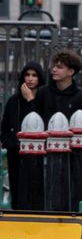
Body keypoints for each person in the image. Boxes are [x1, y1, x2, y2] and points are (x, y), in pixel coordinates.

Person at [0, 62, 45, 204]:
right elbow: (5, 126)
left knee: (36, 193)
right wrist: (10, 143)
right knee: (17, 192)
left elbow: (38, 121)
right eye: (27, 75)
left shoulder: (43, 100)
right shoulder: (13, 101)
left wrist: (30, 100)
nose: (30, 79)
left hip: (38, 156)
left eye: (34, 75)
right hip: (16, 155)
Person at [33, 50, 82, 125]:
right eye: (54, 66)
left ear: (71, 72)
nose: (54, 69)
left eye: (59, 67)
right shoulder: (42, 93)